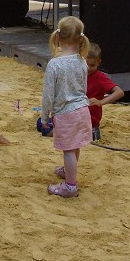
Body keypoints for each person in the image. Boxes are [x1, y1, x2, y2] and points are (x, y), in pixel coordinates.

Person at [42, 16, 93, 198]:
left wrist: (44, 116)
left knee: (69, 149)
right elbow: (84, 87)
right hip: (82, 109)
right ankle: (67, 171)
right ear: (80, 39)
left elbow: (48, 94)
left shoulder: (54, 64)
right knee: (75, 144)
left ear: (57, 37)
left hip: (66, 112)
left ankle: (70, 186)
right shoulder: (82, 61)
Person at [85, 43, 124, 142]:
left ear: (99, 63)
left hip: (90, 121)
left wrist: (101, 102)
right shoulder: (78, 74)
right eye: (86, 64)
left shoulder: (100, 77)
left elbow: (119, 92)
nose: (88, 68)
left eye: (92, 65)